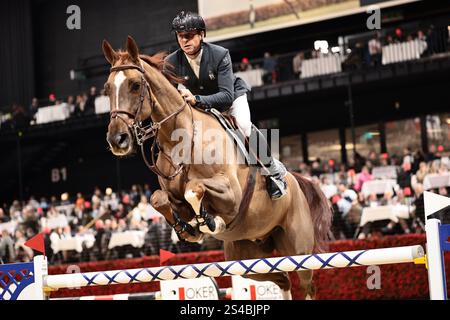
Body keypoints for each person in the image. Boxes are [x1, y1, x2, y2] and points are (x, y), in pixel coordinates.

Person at [165, 11, 287, 199]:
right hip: (201, 105)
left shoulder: (220, 54)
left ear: (201, 34)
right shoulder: (171, 62)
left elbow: (226, 96)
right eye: (180, 36)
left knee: (244, 126)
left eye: (189, 36)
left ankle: (273, 171)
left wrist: (196, 99)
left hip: (230, 98)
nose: (184, 41)